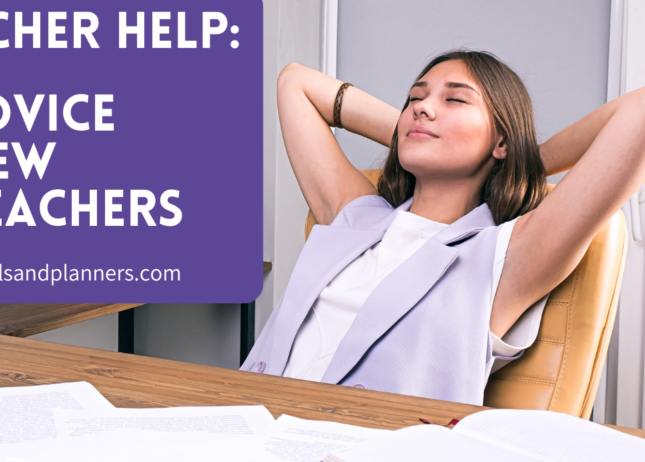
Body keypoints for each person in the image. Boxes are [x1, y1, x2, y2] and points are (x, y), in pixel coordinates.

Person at [241, 50, 645, 405]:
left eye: (454, 100)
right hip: (247, 428)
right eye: (415, 99)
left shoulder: (506, 255)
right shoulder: (355, 214)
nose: (423, 107)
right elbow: (295, 82)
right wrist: (414, 134)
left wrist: (519, 157)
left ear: (501, 140)